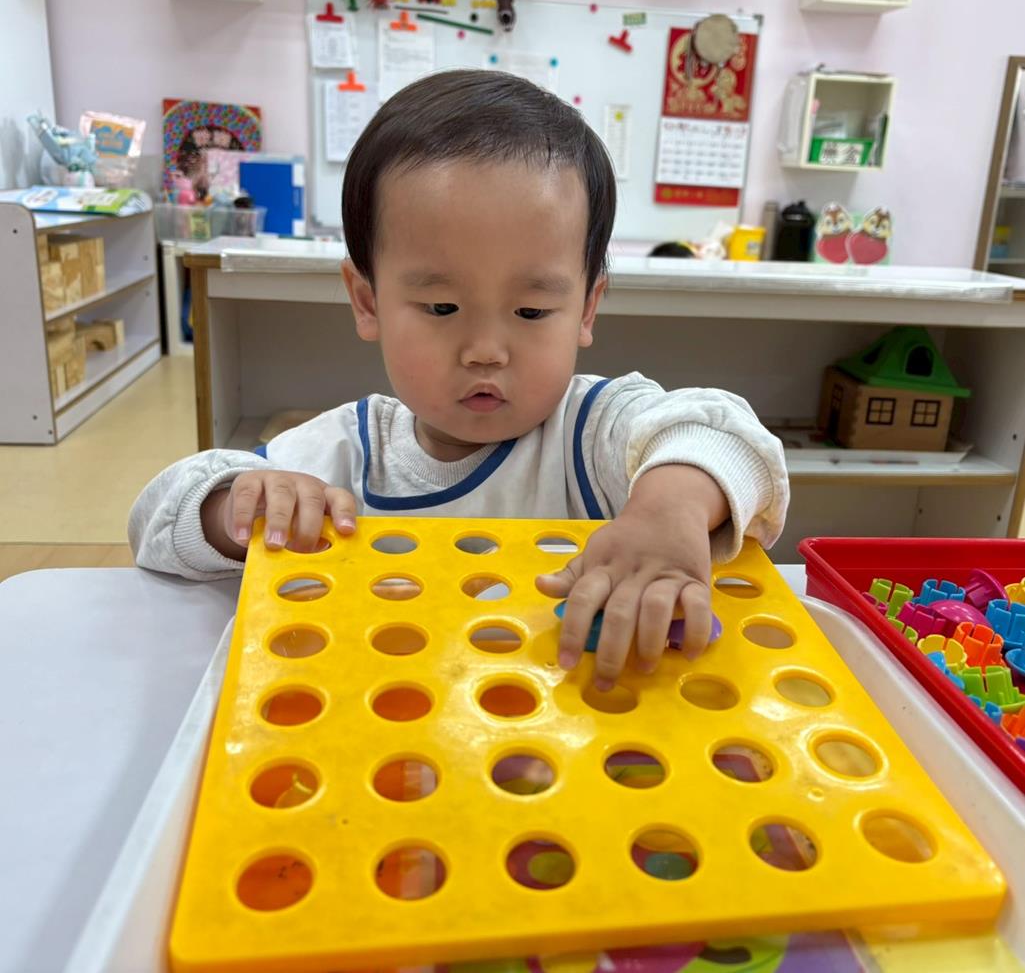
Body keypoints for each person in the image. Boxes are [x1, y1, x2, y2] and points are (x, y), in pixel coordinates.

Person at [130, 69, 788, 691]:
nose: (485, 351)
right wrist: (233, 507)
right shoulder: (345, 455)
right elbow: (156, 523)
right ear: (367, 301)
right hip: (388, 731)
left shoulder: (593, 435)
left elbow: (725, 434)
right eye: (442, 307)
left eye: (531, 312)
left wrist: (667, 513)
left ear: (586, 308)